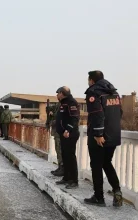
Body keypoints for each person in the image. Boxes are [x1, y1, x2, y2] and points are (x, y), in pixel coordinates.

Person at [84, 70, 123, 207]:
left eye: (88, 79)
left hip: (99, 137)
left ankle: (99, 197)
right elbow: (120, 113)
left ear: (92, 80)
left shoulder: (93, 92)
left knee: (96, 165)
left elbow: (97, 114)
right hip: (113, 135)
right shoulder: (114, 93)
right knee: (107, 163)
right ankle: (117, 191)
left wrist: (99, 135)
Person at [55, 86, 80, 189]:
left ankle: (74, 180)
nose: (57, 95)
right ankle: (66, 177)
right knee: (65, 156)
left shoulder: (71, 102)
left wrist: (68, 130)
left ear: (62, 93)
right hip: (63, 134)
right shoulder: (63, 103)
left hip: (70, 134)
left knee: (70, 156)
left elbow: (74, 118)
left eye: (58, 93)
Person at [46, 102, 63, 176]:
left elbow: (61, 118)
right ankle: (60, 167)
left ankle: (62, 168)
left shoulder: (64, 105)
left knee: (60, 150)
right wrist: (49, 110)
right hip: (56, 132)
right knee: (57, 149)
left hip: (60, 132)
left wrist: (52, 121)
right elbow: (49, 108)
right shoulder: (58, 105)